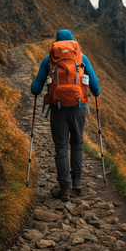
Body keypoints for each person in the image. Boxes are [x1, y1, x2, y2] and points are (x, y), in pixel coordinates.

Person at [31, 29, 100, 201]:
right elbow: (96, 87)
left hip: (58, 109)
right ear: (73, 43)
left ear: (56, 44)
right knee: (77, 143)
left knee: (61, 148)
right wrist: (95, 93)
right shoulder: (82, 59)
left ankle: (64, 189)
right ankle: (77, 181)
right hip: (78, 107)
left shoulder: (49, 60)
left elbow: (35, 89)